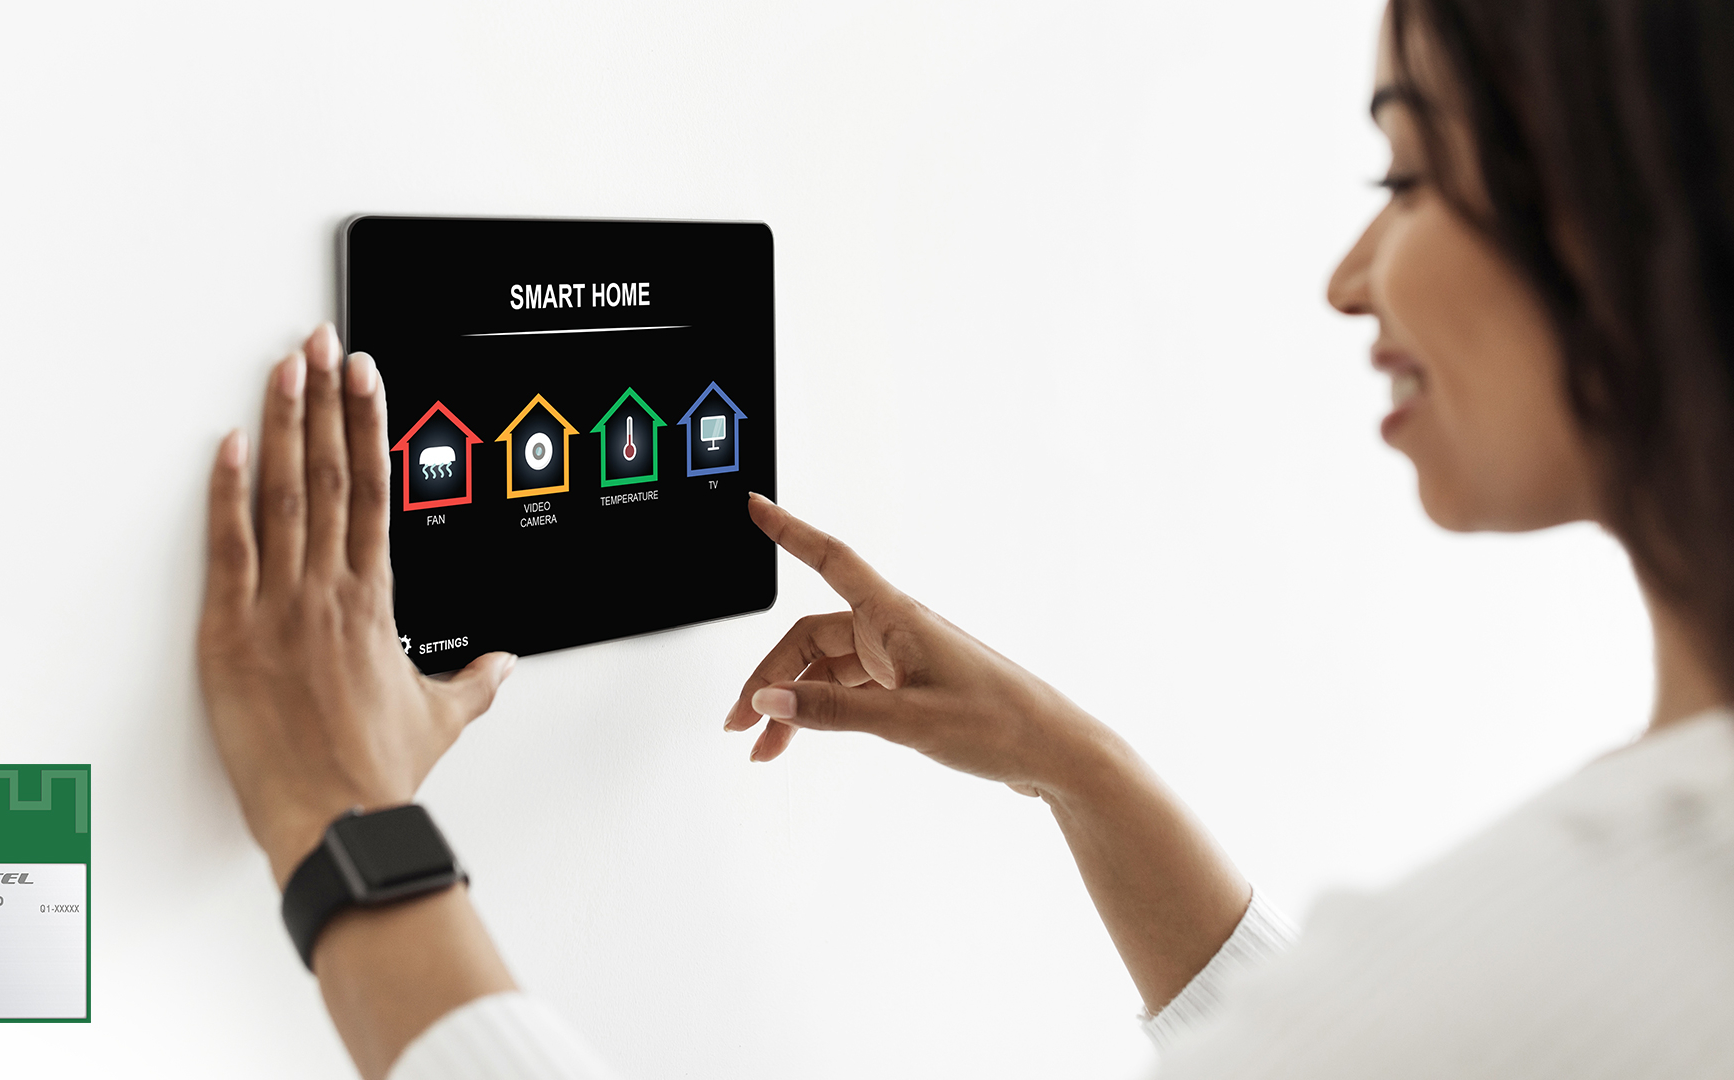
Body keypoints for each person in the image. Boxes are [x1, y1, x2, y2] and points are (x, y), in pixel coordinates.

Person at [196, 0, 1734, 1076]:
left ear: (1640, 199)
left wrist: (346, 822)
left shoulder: (1627, 921)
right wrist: (1073, 765)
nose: (1349, 276)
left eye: (1408, 172)